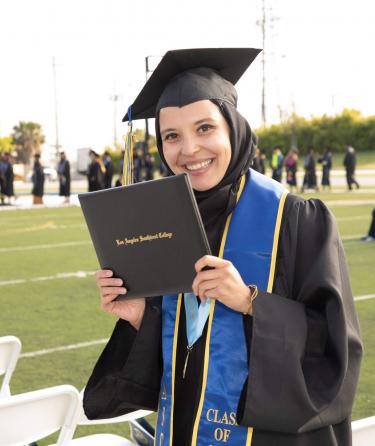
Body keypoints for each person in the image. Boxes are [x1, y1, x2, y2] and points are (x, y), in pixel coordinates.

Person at [83, 48, 362, 446]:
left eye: (204, 128)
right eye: (172, 136)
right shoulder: (162, 225)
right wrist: (143, 317)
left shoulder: (296, 219)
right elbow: (186, 348)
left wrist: (251, 302)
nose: (190, 150)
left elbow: (337, 348)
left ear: (232, 127)